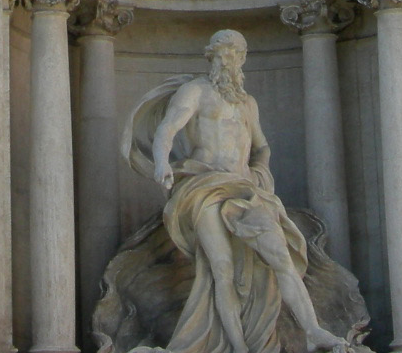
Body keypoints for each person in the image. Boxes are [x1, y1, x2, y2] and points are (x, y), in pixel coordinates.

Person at [125, 30, 350, 353]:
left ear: (243, 59)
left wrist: (261, 174)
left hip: (245, 190)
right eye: (222, 55)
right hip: (202, 186)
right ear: (211, 57)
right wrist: (162, 162)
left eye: (234, 55)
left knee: (280, 256)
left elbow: (261, 146)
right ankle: (238, 346)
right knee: (222, 269)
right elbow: (167, 129)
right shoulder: (195, 91)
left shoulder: (247, 104)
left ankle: (314, 331)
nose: (228, 61)